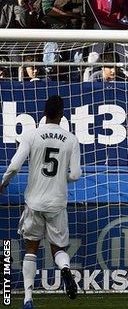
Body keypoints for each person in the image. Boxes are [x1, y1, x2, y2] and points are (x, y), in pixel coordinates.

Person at [0, 96, 81, 309]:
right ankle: (64, 269)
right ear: (62, 114)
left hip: (34, 203)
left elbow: (15, 165)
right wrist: (61, 176)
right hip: (57, 203)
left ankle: (28, 299)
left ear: (44, 113)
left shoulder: (31, 135)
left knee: (31, 249)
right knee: (59, 248)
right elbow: (76, 175)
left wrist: (3, 184)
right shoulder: (71, 139)